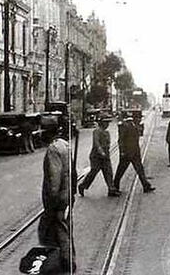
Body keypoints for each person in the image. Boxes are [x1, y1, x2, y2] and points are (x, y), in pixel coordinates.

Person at [38, 125, 76, 273]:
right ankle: (66, 259)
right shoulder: (66, 146)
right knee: (65, 228)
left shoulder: (53, 150)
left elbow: (54, 177)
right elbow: (73, 172)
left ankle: (65, 262)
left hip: (58, 198)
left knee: (55, 229)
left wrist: (53, 201)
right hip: (67, 195)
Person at [78, 117, 120, 197]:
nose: (107, 124)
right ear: (102, 123)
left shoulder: (107, 132)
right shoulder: (96, 131)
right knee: (93, 172)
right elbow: (96, 143)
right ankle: (82, 186)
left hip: (105, 156)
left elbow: (108, 144)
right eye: (106, 122)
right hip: (96, 156)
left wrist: (106, 154)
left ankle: (111, 189)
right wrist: (101, 152)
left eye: (108, 123)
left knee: (108, 172)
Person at [113, 117, 155, 193]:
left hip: (134, 153)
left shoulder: (134, 127)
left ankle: (146, 185)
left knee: (140, 170)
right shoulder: (124, 127)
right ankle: (114, 187)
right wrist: (122, 151)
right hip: (127, 154)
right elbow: (121, 140)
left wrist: (141, 128)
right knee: (121, 171)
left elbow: (139, 135)